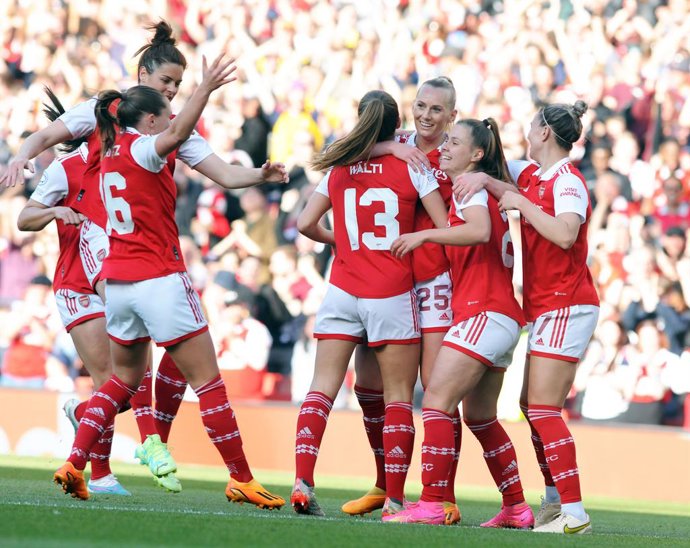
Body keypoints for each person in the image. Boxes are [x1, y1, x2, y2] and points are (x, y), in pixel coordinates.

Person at [2, 21, 288, 492]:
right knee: (156, 374)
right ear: (143, 76)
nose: (173, 91)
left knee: (127, 378)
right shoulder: (120, 128)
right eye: (167, 83)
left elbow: (223, 172)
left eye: (178, 85)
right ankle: (209, 469)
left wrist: (257, 175)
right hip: (120, 271)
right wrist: (25, 159)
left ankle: (110, 446)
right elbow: (47, 140)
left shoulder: (152, 133)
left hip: (117, 272)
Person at [290, 90, 447, 517]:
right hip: (391, 290)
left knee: (321, 389)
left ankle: (303, 481)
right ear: (397, 124)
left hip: (342, 286)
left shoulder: (339, 166)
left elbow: (305, 223)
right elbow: (444, 225)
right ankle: (394, 499)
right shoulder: (410, 163)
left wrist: (339, 239)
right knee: (398, 395)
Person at [455, 100, 600, 534]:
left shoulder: (567, 181)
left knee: (542, 408)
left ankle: (574, 512)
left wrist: (518, 203)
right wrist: (486, 178)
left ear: (544, 134)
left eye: (531, 124)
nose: (525, 130)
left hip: (568, 302)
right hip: (546, 305)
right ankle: (555, 502)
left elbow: (564, 233)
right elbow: (495, 168)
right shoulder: (530, 172)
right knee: (529, 406)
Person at [381, 118, 533, 528]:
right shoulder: (477, 186)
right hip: (500, 318)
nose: (445, 147)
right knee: (481, 417)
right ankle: (517, 507)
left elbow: (480, 231)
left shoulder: (468, 187)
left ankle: (431, 502)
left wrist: (425, 237)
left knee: (436, 402)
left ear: (477, 154)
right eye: (446, 141)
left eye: (454, 142)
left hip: (485, 312)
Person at [342, 77, 460, 523]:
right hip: (388, 281)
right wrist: (389, 149)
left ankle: (441, 496)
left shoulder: (458, 153)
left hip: (433, 283)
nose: (426, 116)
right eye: (421, 106)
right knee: (366, 386)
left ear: (453, 115)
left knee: (435, 388)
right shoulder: (402, 143)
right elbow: (346, 150)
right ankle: (385, 484)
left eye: (437, 110)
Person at [15, 90, 130, 495]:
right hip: (78, 285)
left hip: (123, 278)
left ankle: (81, 412)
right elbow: (24, 218)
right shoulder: (67, 169)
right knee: (110, 378)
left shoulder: (131, 164)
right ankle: (100, 474)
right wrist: (54, 211)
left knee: (125, 388)